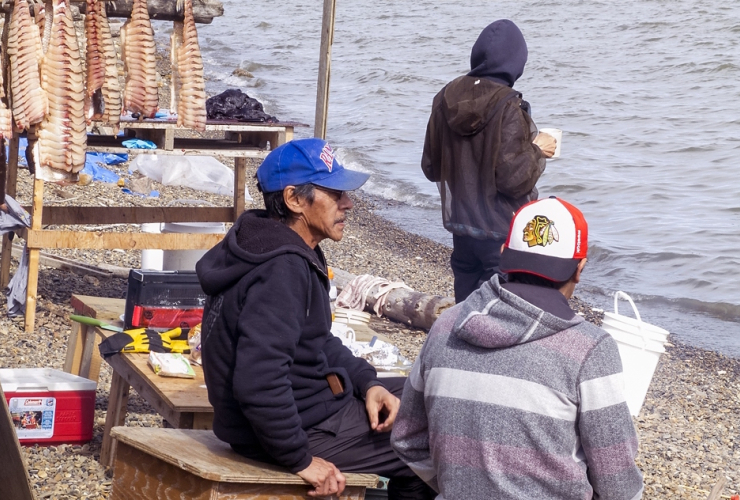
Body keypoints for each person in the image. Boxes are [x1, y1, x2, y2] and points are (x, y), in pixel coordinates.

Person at [195, 138, 434, 500]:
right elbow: (258, 380)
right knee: (431, 440)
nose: (348, 204)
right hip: (287, 431)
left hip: (303, 408)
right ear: (293, 200)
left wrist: (368, 385)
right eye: (336, 194)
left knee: (429, 394)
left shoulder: (279, 244)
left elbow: (317, 339)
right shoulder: (281, 269)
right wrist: (300, 459)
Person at [391, 197, 644, 499]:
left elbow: (408, 439)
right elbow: (618, 485)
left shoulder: (447, 325)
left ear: (503, 254)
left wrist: (460, 487)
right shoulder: (589, 349)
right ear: (580, 269)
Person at [421, 19, 557, 303]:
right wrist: (536, 148)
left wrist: (466, 157)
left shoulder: (446, 97)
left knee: (467, 307)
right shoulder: (509, 106)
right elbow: (513, 179)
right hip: (500, 233)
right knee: (494, 314)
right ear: (517, 63)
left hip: (462, 227)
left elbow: (431, 167)